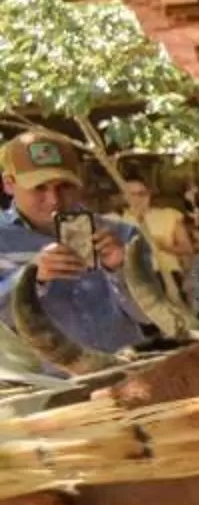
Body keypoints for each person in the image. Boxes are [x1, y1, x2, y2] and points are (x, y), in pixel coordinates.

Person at [0, 130, 154, 368]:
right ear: (9, 184)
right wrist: (32, 278)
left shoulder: (122, 235)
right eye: (39, 187)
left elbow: (148, 316)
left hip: (127, 370)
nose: (53, 199)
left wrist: (121, 270)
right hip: (45, 386)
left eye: (64, 186)